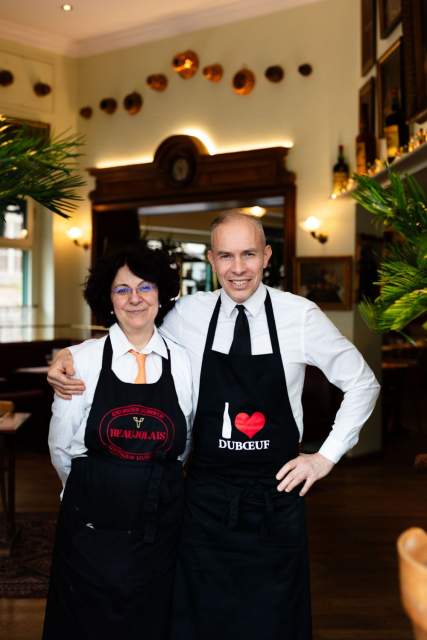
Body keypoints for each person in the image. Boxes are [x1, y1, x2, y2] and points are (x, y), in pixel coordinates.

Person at [48, 214, 380, 640]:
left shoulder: (300, 316)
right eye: (225, 255)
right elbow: (132, 328)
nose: (237, 268)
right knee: (200, 620)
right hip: (204, 499)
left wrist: (324, 458)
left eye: (247, 255)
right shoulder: (188, 313)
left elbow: (362, 383)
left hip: (274, 500)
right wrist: (67, 358)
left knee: (272, 620)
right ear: (211, 259)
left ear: (266, 257)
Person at [43, 242, 192, 640]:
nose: (135, 298)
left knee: (152, 620)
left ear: (161, 294)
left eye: (145, 287)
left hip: (160, 523)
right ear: (107, 300)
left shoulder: (187, 362)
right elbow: (61, 447)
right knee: (88, 622)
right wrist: (92, 491)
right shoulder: (80, 359)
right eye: (122, 289)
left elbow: (187, 440)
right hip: (92, 524)